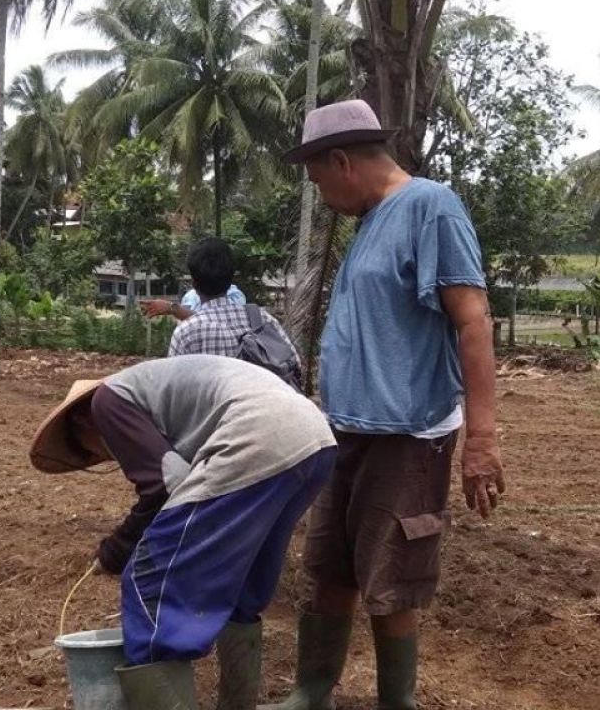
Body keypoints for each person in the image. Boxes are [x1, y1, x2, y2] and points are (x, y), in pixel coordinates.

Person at [266, 99, 504, 710]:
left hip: (408, 433)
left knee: (393, 578)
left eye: (319, 179)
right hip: (344, 431)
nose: (321, 195)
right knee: (329, 568)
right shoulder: (372, 221)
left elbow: (473, 322)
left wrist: (481, 440)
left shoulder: (431, 208)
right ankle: (311, 692)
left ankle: (396, 703)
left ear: (342, 161)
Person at [30, 355, 337, 710]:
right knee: (242, 585)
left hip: (257, 437)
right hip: (314, 440)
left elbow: (165, 487)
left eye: (88, 450)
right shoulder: (156, 389)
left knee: (151, 581)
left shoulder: (107, 401)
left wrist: (116, 550)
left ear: (83, 421)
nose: (105, 455)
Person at [167, 238, 299, 367]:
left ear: (194, 284)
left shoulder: (186, 333)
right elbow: (295, 365)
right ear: (231, 279)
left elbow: (171, 384)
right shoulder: (263, 319)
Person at [141, 282, 246, 321]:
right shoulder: (190, 296)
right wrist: (173, 309)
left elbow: (221, 322)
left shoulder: (235, 295)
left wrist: (172, 308)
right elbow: (186, 318)